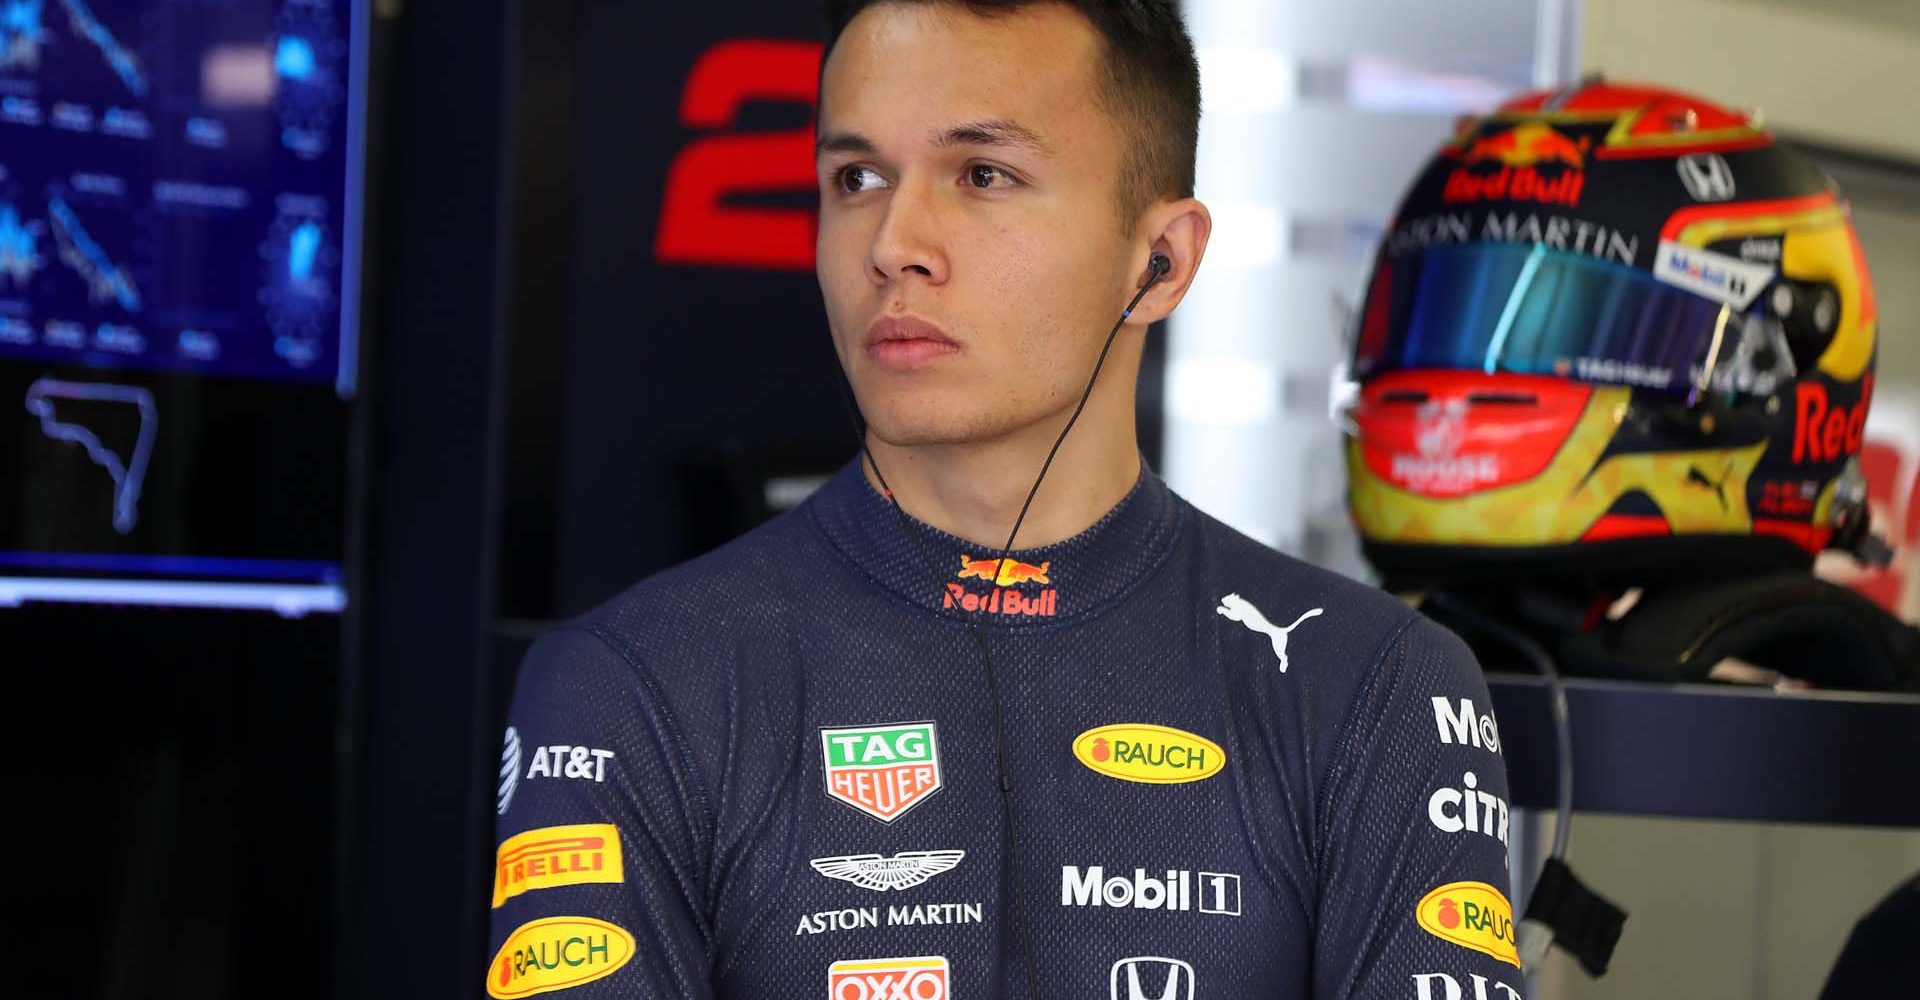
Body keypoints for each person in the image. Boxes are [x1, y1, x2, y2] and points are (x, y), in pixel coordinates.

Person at [486, 3, 1516, 998]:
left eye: (982, 174)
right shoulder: (631, 686)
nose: (893, 240)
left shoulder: (1374, 686)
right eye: (856, 176)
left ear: (1161, 264)